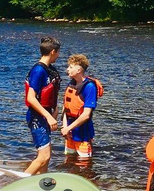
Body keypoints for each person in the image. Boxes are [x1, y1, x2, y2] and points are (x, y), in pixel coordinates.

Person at [23, 36, 61, 175]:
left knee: (46, 158)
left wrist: (54, 113)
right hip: (37, 118)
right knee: (44, 156)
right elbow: (31, 98)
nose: (58, 55)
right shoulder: (39, 71)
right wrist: (48, 117)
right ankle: (19, 184)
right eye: (58, 52)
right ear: (53, 52)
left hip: (44, 116)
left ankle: (41, 183)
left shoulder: (48, 69)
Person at [60, 54, 103, 160]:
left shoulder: (89, 87)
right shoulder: (72, 83)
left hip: (83, 131)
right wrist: (65, 127)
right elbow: (65, 108)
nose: (67, 69)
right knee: (69, 159)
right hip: (69, 130)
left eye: (70, 67)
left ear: (78, 69)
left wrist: (68, 128)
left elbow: (86, 115)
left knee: (84, 163)